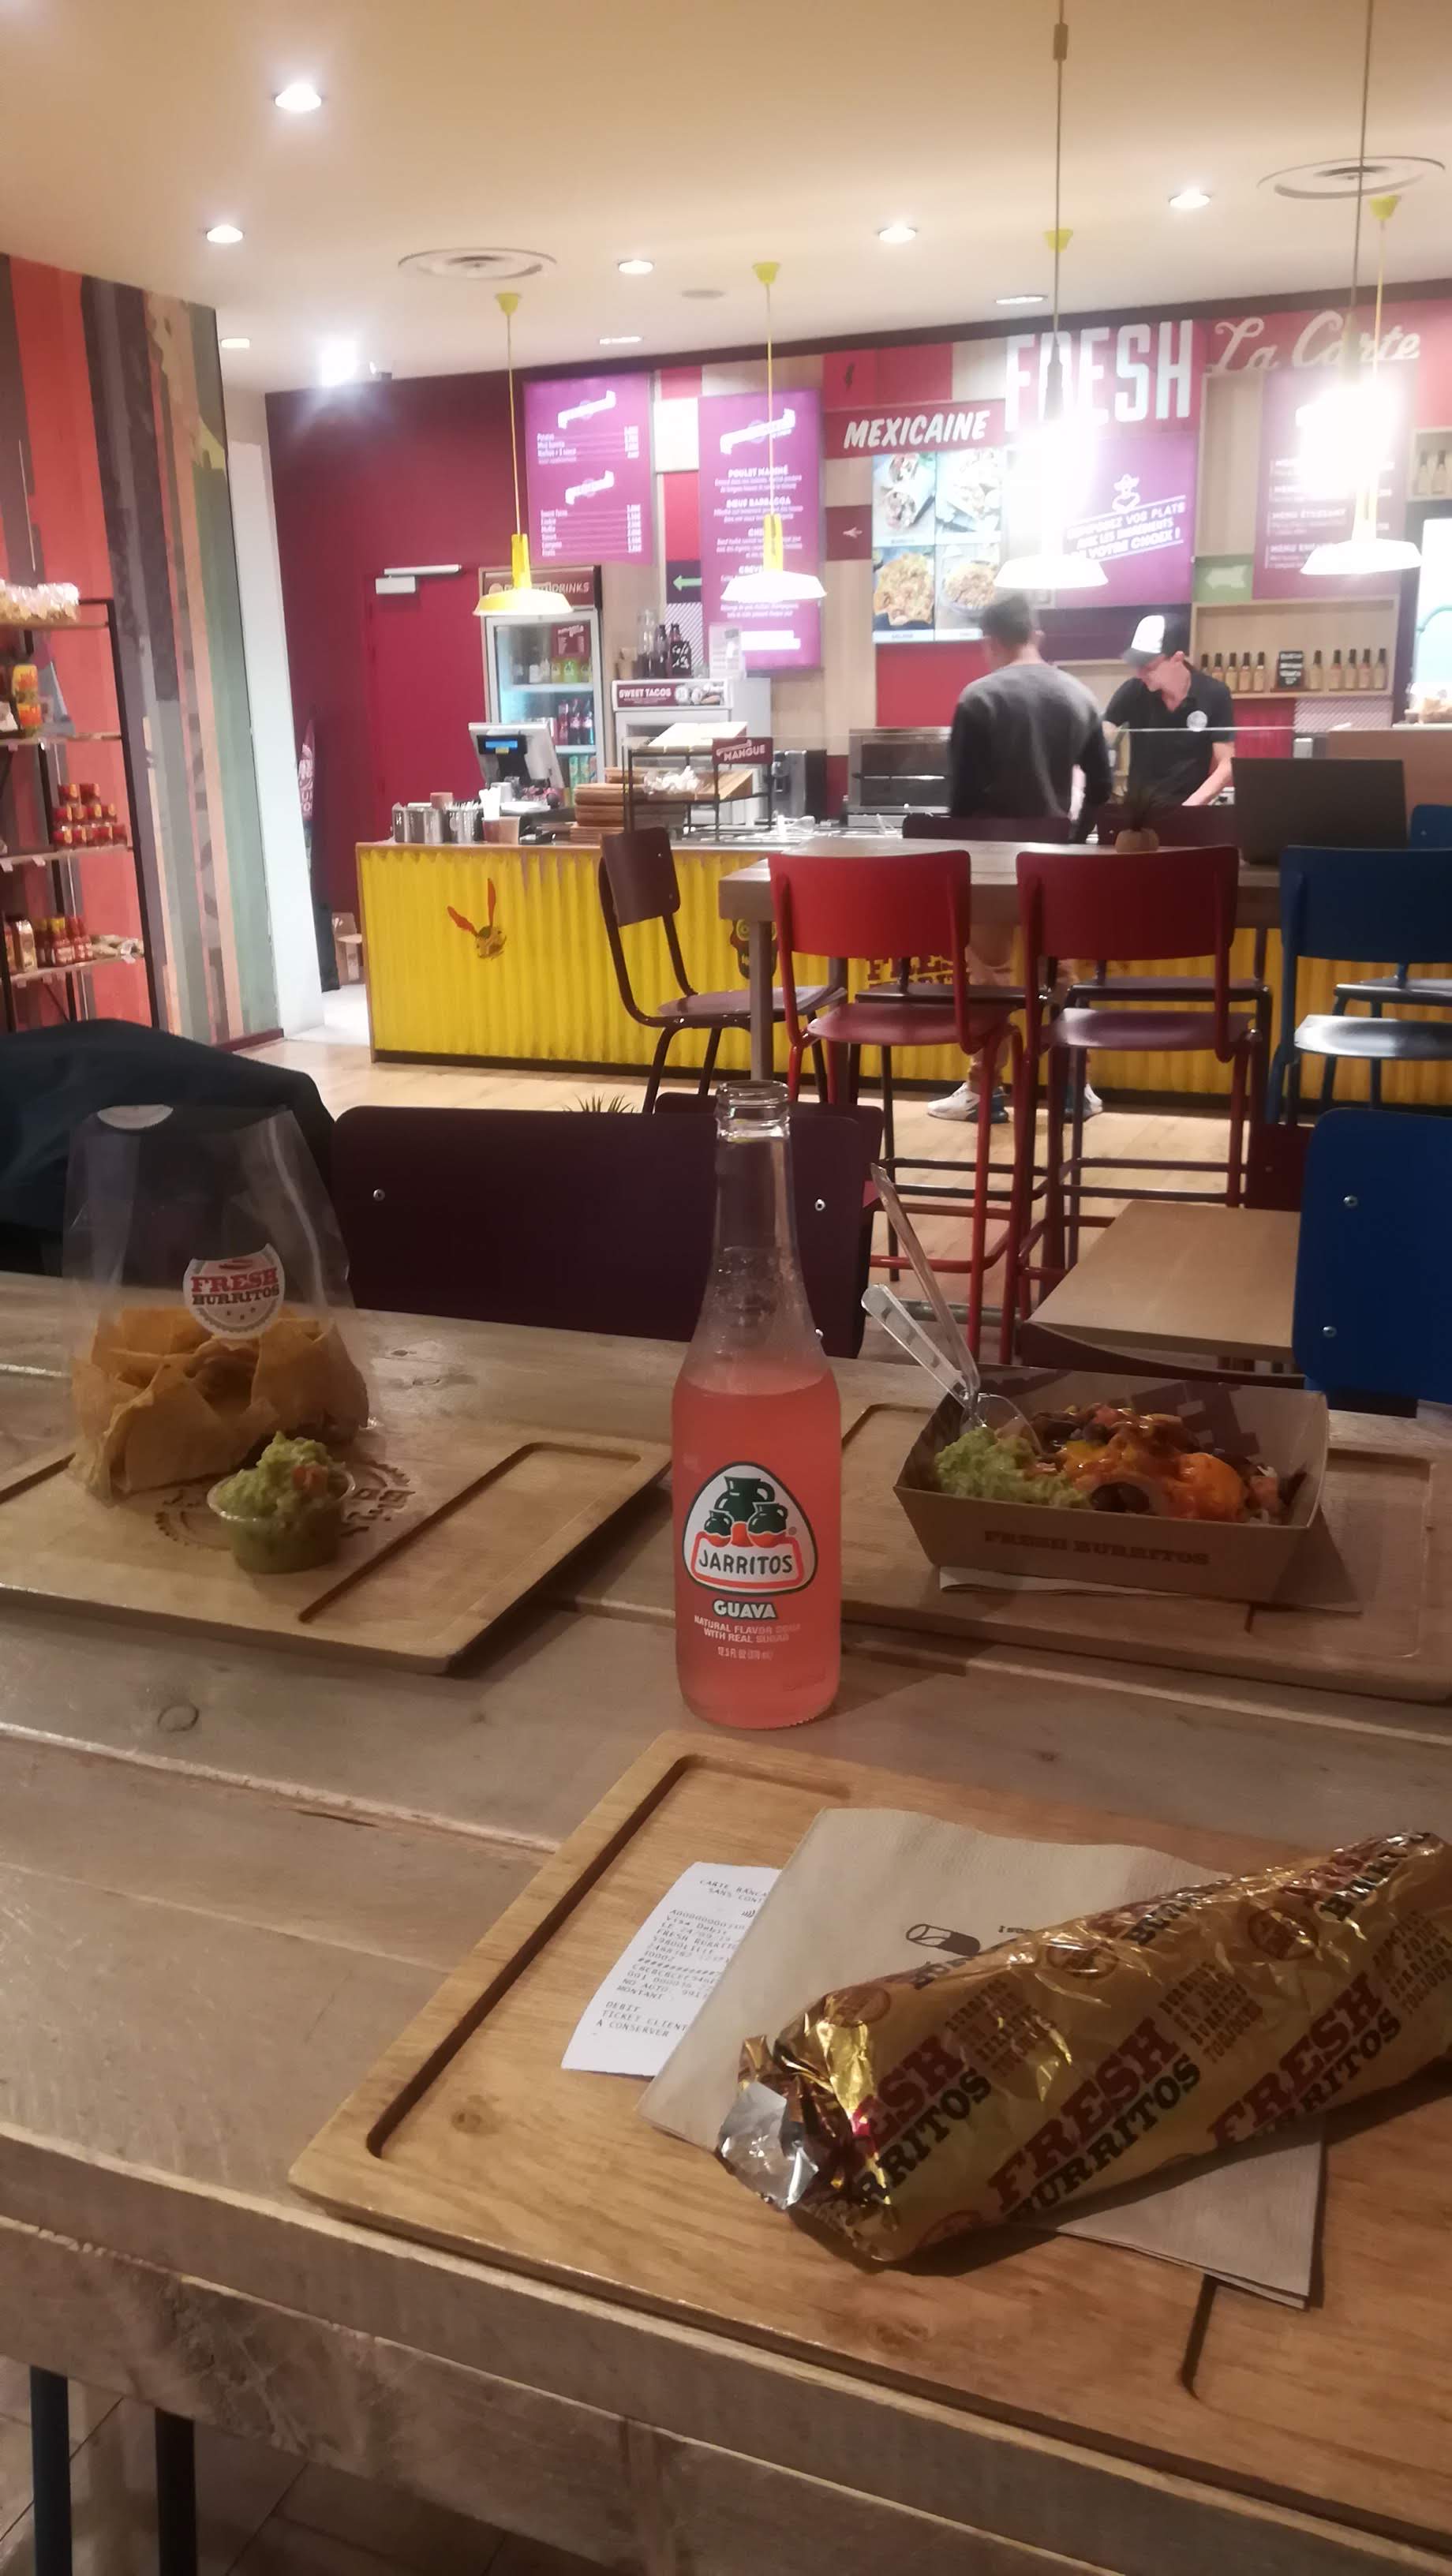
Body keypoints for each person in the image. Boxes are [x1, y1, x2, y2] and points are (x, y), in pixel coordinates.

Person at [930, 592, 1110, 1124]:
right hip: (1052, 858)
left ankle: (985, 1091)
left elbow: (961, 800)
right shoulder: (1079, 695)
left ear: (990, 641)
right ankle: (1074, 1088)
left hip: (988, 858)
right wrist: (1073, 837)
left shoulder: (978, 698)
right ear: (1036, 636)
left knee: (989, 974)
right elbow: (1102, 787)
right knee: (1058, 970)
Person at [1103, 612, 1235, 808]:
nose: (1140, 673)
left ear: (1177, 659)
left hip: (1191, 809)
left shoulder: (1214, 694)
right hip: (1139, 812)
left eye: (1148, 667)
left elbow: (1226, 763)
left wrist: (1190, 807)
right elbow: (1102, 736)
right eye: (1137, 665)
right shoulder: (1133, 691)